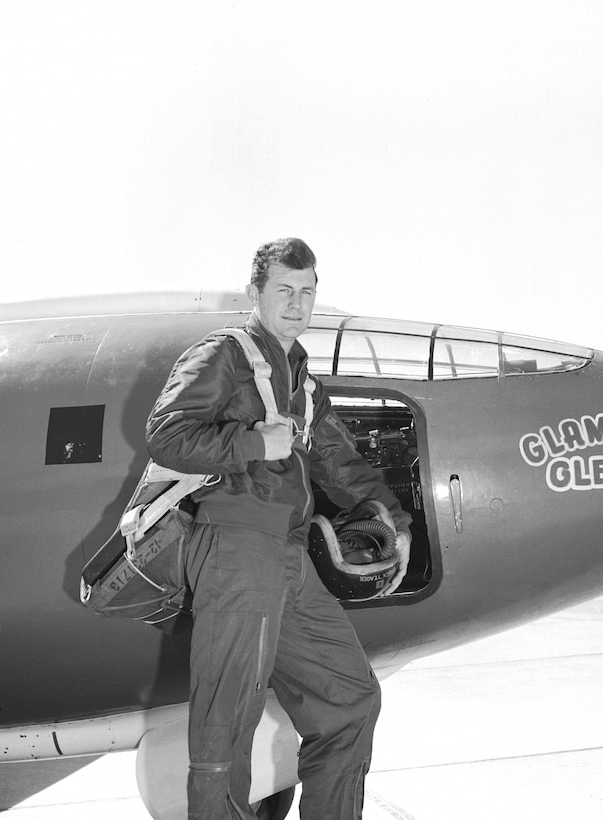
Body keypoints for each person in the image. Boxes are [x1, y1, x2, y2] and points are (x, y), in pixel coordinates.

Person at [146, 237, 413, 819]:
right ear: (256, 294)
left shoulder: (301, 379)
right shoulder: (225, 354)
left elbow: (339, 462)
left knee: (350, 700)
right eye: (284, 291)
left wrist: (393, 520)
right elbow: (165, 434)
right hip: (235, 549)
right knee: (227, 724)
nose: (297, 303)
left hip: (289, 559)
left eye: (307, 292)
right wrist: (250, 443)